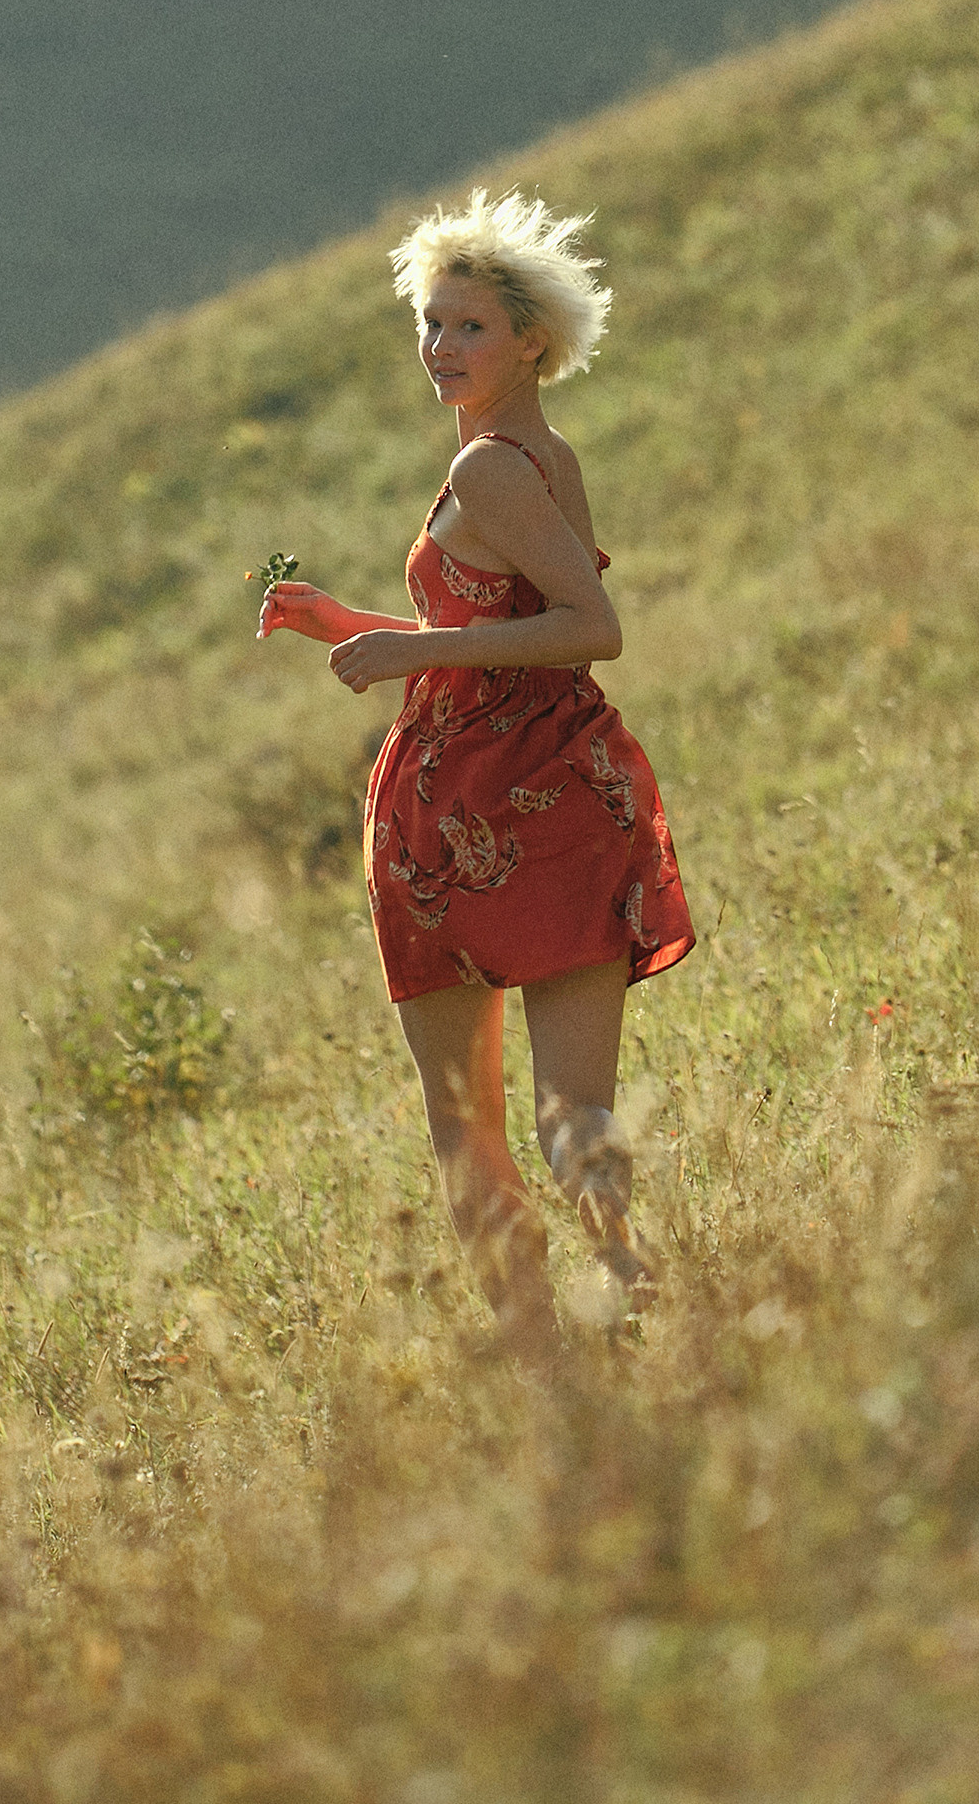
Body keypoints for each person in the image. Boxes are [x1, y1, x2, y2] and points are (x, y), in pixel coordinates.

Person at [258, 187, 695, 1358]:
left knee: (467, 1123)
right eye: (430, 324)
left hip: (469, 813)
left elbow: (589, 625)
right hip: (565, 784)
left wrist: (411, 647)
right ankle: (630, 1285)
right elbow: (514, 626)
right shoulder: (543, 456)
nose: (439, 349)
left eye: (468, 328)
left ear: (531, 341)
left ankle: (544, 1357)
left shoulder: (497, 470)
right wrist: (345, 620)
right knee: (575, 1110)